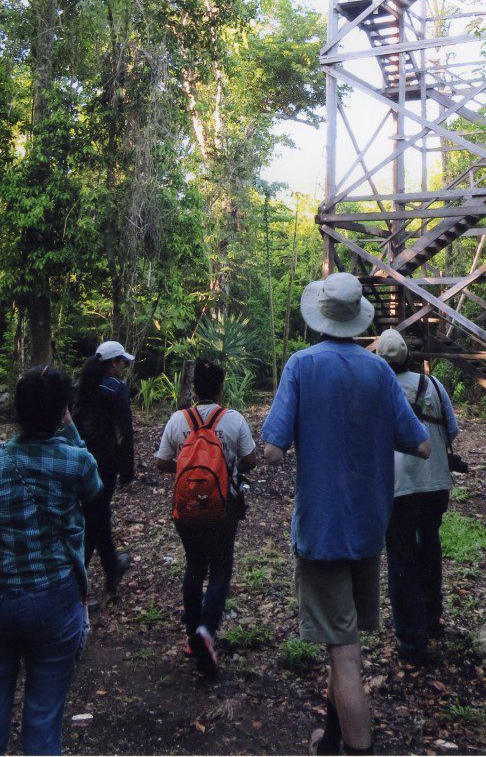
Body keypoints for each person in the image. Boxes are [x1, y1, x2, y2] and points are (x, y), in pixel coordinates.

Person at [262, 272, 430, 756]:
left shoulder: (301, 365)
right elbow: (420, 443)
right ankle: (331, 736)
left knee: (344, 650)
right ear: (358, 318)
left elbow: (271, 450)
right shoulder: (380, 372)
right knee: (345, 636)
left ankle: (357, 745)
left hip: (322, 529)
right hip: (368, 528)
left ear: (321, 316)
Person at [0, 365, 103, 756]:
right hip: (54, 602)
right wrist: (70, 430)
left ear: (18, 412)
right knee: (43, 721)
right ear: (62, 411)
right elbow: (95, 489)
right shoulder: (76, 463)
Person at [155, 357, 257, 678]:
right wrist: (224, 466)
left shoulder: (178, 419)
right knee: (221, 567)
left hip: (186, 508)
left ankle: (192, 637)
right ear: (221, 388)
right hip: (223, 506)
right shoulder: (233, 419)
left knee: (194, 566)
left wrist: (186, 465)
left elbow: (161, 462)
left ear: (194, 388)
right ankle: (206, 631)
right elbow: (251, 459)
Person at [376, 329, 460, 665]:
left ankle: (411, 637)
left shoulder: (380, 389)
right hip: (436, 481)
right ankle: (432, 617)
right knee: (430, 546)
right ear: (408, 355)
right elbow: (451, 430)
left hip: (398, 487)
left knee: (401, 557)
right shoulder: (434, 385)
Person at [72, 340, 135, 597]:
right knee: (95, 517)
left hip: (80, 460)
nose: (124, 366)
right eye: (122, 362)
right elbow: (125, 432)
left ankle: (111, 567)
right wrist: (127, 471)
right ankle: (80, 580)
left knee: (96, 514)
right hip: (105, 463)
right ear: (113, 363)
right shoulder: (116, 389)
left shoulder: (81, 387)